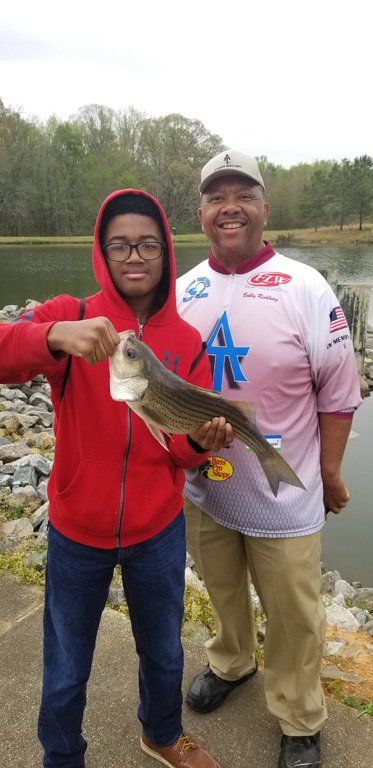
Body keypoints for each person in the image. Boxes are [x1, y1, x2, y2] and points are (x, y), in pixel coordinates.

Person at [0, 188, 233, 768]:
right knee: (65, 669)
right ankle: (61, 756)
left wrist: (200, 446)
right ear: (103, 252)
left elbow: (181, 454)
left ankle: (161, 733)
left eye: (148, 244)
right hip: (77, 533)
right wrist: (53, 336)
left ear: (166, 253)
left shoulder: (185, 341)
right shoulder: (73, 315)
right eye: (121, 245)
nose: (135, 256)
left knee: (164, 653)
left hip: (158, 532)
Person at [176, 150, 362, 768]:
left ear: (264, 208)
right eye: (216, 197)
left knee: (294, 614)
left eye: (243, 194)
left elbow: (339, 392)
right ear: (201, 213)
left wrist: (331, 473)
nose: (229, 206)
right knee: (223, 591)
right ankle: (231, 662)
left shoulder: (306, 286)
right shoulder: (183, 290)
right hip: (208, 487)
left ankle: (299, 715)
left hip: (286, 495)